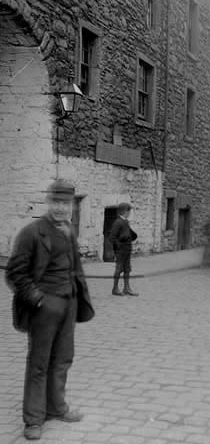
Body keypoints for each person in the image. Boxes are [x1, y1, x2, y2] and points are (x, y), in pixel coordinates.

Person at [5, 179, 95, 441]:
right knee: (39, 363)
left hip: (69, 303)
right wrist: (37, 298)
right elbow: (14, 273)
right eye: (55, 202)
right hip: (44, 306)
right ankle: (33, 419)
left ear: (71, 206)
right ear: (48, 202)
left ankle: (56, 408)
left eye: (65, 203)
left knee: (63, 358)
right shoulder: (32, 232)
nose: (60, 208)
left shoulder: (68, 230)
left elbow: (75, 267)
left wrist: (78, 297)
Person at [110, 202, 139, 296]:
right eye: (128, 210)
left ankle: (127, 288)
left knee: (127, 269)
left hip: (127, 249)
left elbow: (129, 233)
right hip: (121, 251)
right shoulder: (118, 222)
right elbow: (112, 237)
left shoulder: (125, 221)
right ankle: (115, 288)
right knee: (119, 269)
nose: (129, 213)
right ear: (124, 211)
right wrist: (119, 246)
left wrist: (132, 236)